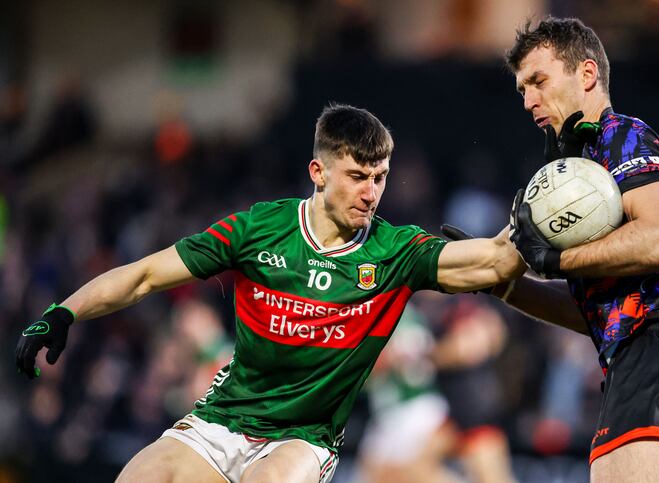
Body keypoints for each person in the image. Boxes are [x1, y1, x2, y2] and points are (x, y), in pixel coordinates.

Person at [15, 104, 525, 483]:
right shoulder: (259, 228)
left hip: (304, 439)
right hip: (222, 420)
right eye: (357, 176)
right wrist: (63, 312)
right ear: (319, 173)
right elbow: (146, 274)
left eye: (380, 178)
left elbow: (494, 260)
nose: (371, 193)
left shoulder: (396, 251)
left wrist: (533, 225)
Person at [502, 16, 659, 483]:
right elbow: (593, 312)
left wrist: (557, 260)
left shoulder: (620, 135)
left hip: (656, 360)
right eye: (522, 90)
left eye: (538, 81)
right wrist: (503, 287)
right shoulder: (580, 169)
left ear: (587, 75)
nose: (528, 100)